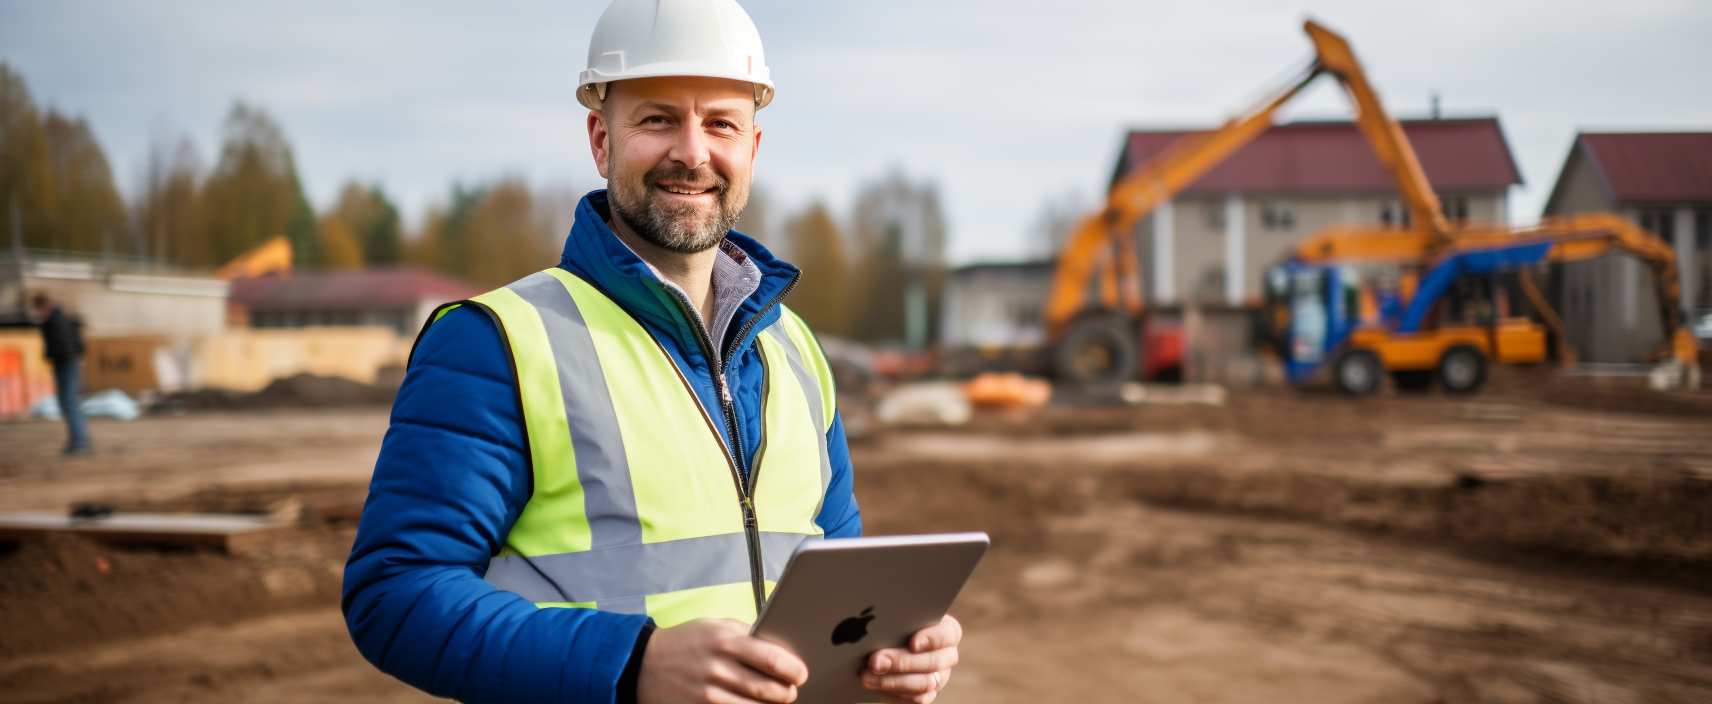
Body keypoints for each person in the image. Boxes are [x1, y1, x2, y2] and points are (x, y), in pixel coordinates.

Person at [342, 1, 962, 703]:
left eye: (721, 123)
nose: (693, 153)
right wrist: (633, 665)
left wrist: (893, 650)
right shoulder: (496, 342)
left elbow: (842, 584)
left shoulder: (794, 351)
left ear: (752, 148)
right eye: (658, 118)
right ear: (601, 141)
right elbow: (397, 592)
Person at [32, 293, 91, 455]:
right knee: (70, 403)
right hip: (68, 362)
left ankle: (79, 444)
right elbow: (78, 345)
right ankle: (80, 442)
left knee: (69, 403)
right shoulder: (62, 319)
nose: (37, 314)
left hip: (64, 364)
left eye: (37, 310)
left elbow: (61, 346)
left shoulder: (54, 322)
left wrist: (50, 356)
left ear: (43, 307)